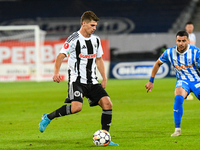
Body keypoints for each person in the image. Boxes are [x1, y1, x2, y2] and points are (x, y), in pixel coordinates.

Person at [39, 11, 118, 146]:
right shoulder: (73, 39)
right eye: (92, 25)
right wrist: (56, 72)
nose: (94, 28)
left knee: (107, 104)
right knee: (76, 108)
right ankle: (48, 117)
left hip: (92, 80)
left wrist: (104, 77)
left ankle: (105, 137)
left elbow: (99, 59)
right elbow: (60, 56)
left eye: (95, 26)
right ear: (84, 23)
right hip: (77, 81)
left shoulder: (96, 40)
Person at [145, 31, 200, 137]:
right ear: (176, 41)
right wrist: (151, 81)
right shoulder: (169, 52)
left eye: (184, 41)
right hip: (183, 80)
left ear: (188, 41)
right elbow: (157, 63)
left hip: (197, 81)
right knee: (178, 97)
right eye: (179, 41)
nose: (181, 43)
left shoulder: (196, 52)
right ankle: (177, 130)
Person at [185, 21, 196, 100]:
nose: (190, 28)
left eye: (191, 27)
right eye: (188, 27)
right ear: (186, 28)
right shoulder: (184, 36)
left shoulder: (193, 35)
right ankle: (187, 93)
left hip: (193, 58)